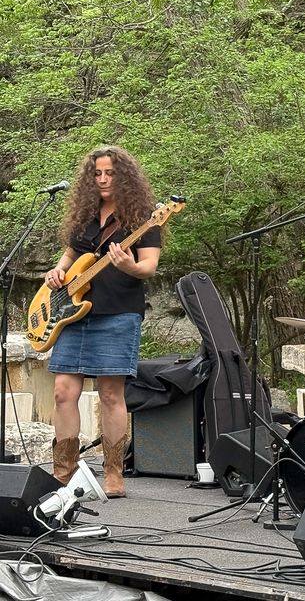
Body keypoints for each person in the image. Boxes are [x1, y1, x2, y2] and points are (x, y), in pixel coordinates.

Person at [44, 146, 163, 498]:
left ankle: (114, 473)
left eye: (109, 173)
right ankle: (62, 471)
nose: (103, 179)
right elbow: (70, 255)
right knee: (63, 391)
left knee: (111, 395)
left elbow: (148, 267)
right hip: (72, 314)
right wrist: (57, 272)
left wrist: (128, 266)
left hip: (118, 312)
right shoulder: (85, 216)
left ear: (124, 176)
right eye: (97, 174)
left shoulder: (144, 217)